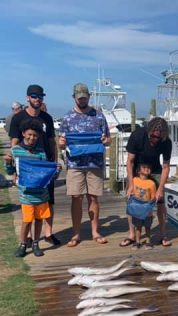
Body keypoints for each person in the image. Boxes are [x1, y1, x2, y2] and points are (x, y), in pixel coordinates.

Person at [58, 83, 111, 247]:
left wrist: (105, 140)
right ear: (74, 98)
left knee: (93, 198)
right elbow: (61, 143)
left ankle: (95, 231)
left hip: (95, 164)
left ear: (89, 97)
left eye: (85, 97)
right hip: (75, 164)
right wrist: (61, 143)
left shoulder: (99, 116)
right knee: (76, 198)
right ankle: (76, 234)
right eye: (79, 97)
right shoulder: (67, 118)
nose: (82, 100)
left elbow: (108, 139)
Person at [9, 85, 60, 246]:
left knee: (48, 201)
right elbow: (14, 143)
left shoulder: (47, 118)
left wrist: (54, 161)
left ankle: (48, 233)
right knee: (29, 204)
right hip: (25, 166)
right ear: (27, 98)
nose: (37, 99)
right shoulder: (18, 118)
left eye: (40, 97)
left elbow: (52, 141)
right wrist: (13, 170)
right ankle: (29, 238)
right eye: (34, 96)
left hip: (44, 164)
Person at [7, 118, 58, 258]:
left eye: (35, 135)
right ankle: (22, 244)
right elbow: (10, 172)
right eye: (29, 134)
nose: (32, 138)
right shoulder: (15, 151)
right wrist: (7, 163)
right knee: (27, 220)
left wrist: (55, 171)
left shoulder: (41, 152)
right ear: (23, 133)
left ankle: (36, 243)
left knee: (39, 219)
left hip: (41, 193)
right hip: (26, 193)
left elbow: (45, 173)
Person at [121, 117, 172, 247]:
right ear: (148, 131)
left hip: (155, 170)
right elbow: (130, 161)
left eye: (158, 138)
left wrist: (160, 188)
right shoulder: (137, 135)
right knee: (131, 201)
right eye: (152, 137)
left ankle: (163, 234)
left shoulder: (166, 141)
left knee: (160, 202)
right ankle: (132, 234)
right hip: (138, 169)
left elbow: (166, 166)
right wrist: (131, 184)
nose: (155, 140)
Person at [127, 159, 157, 249]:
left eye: (148, 168)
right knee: (138, 226)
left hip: (147, 208)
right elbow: (130, 192)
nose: (147, 169)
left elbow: (153, 197)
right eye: (144, 167)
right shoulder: (134, 180)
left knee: (148, 226)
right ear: (138, 170)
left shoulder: (152, 183)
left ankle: (148, 242)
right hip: (137, 207)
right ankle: (137, 242)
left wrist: (150, 208)